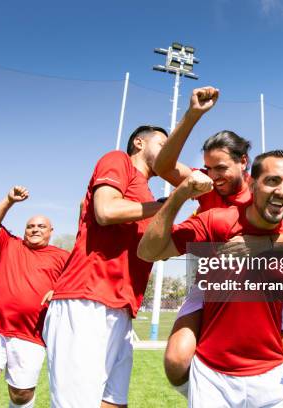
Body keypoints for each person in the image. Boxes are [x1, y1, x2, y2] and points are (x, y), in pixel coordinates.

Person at [153, 86, 283, 400]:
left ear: (244, 164)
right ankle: (207, 391)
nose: (213, 175)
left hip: (264, 292)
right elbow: (163, 168)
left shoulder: (266, 192)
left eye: (221, 167)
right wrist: (193, 114)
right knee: (176, 359)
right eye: (207, 167)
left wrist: (263, 245)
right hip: (214, 285)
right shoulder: (205, 184)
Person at [43, 126, 170, 408]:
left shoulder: (146, 194)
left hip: (121, 307)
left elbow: (157, 252)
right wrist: (165, 205)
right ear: (139, 142)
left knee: (112, 402)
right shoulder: (118, 160)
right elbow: (105, 211)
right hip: (87, 299)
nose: (168, 151)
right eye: (162, 143)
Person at [0, 186, 69, 408]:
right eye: (30, 226)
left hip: (31, 333)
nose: (35, 230)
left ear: (50, 231)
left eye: (41, 226)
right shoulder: (10, 244)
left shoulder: (63, 257)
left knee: (21, 393)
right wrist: (9, 200)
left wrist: (60, 291)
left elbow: (78, 283)